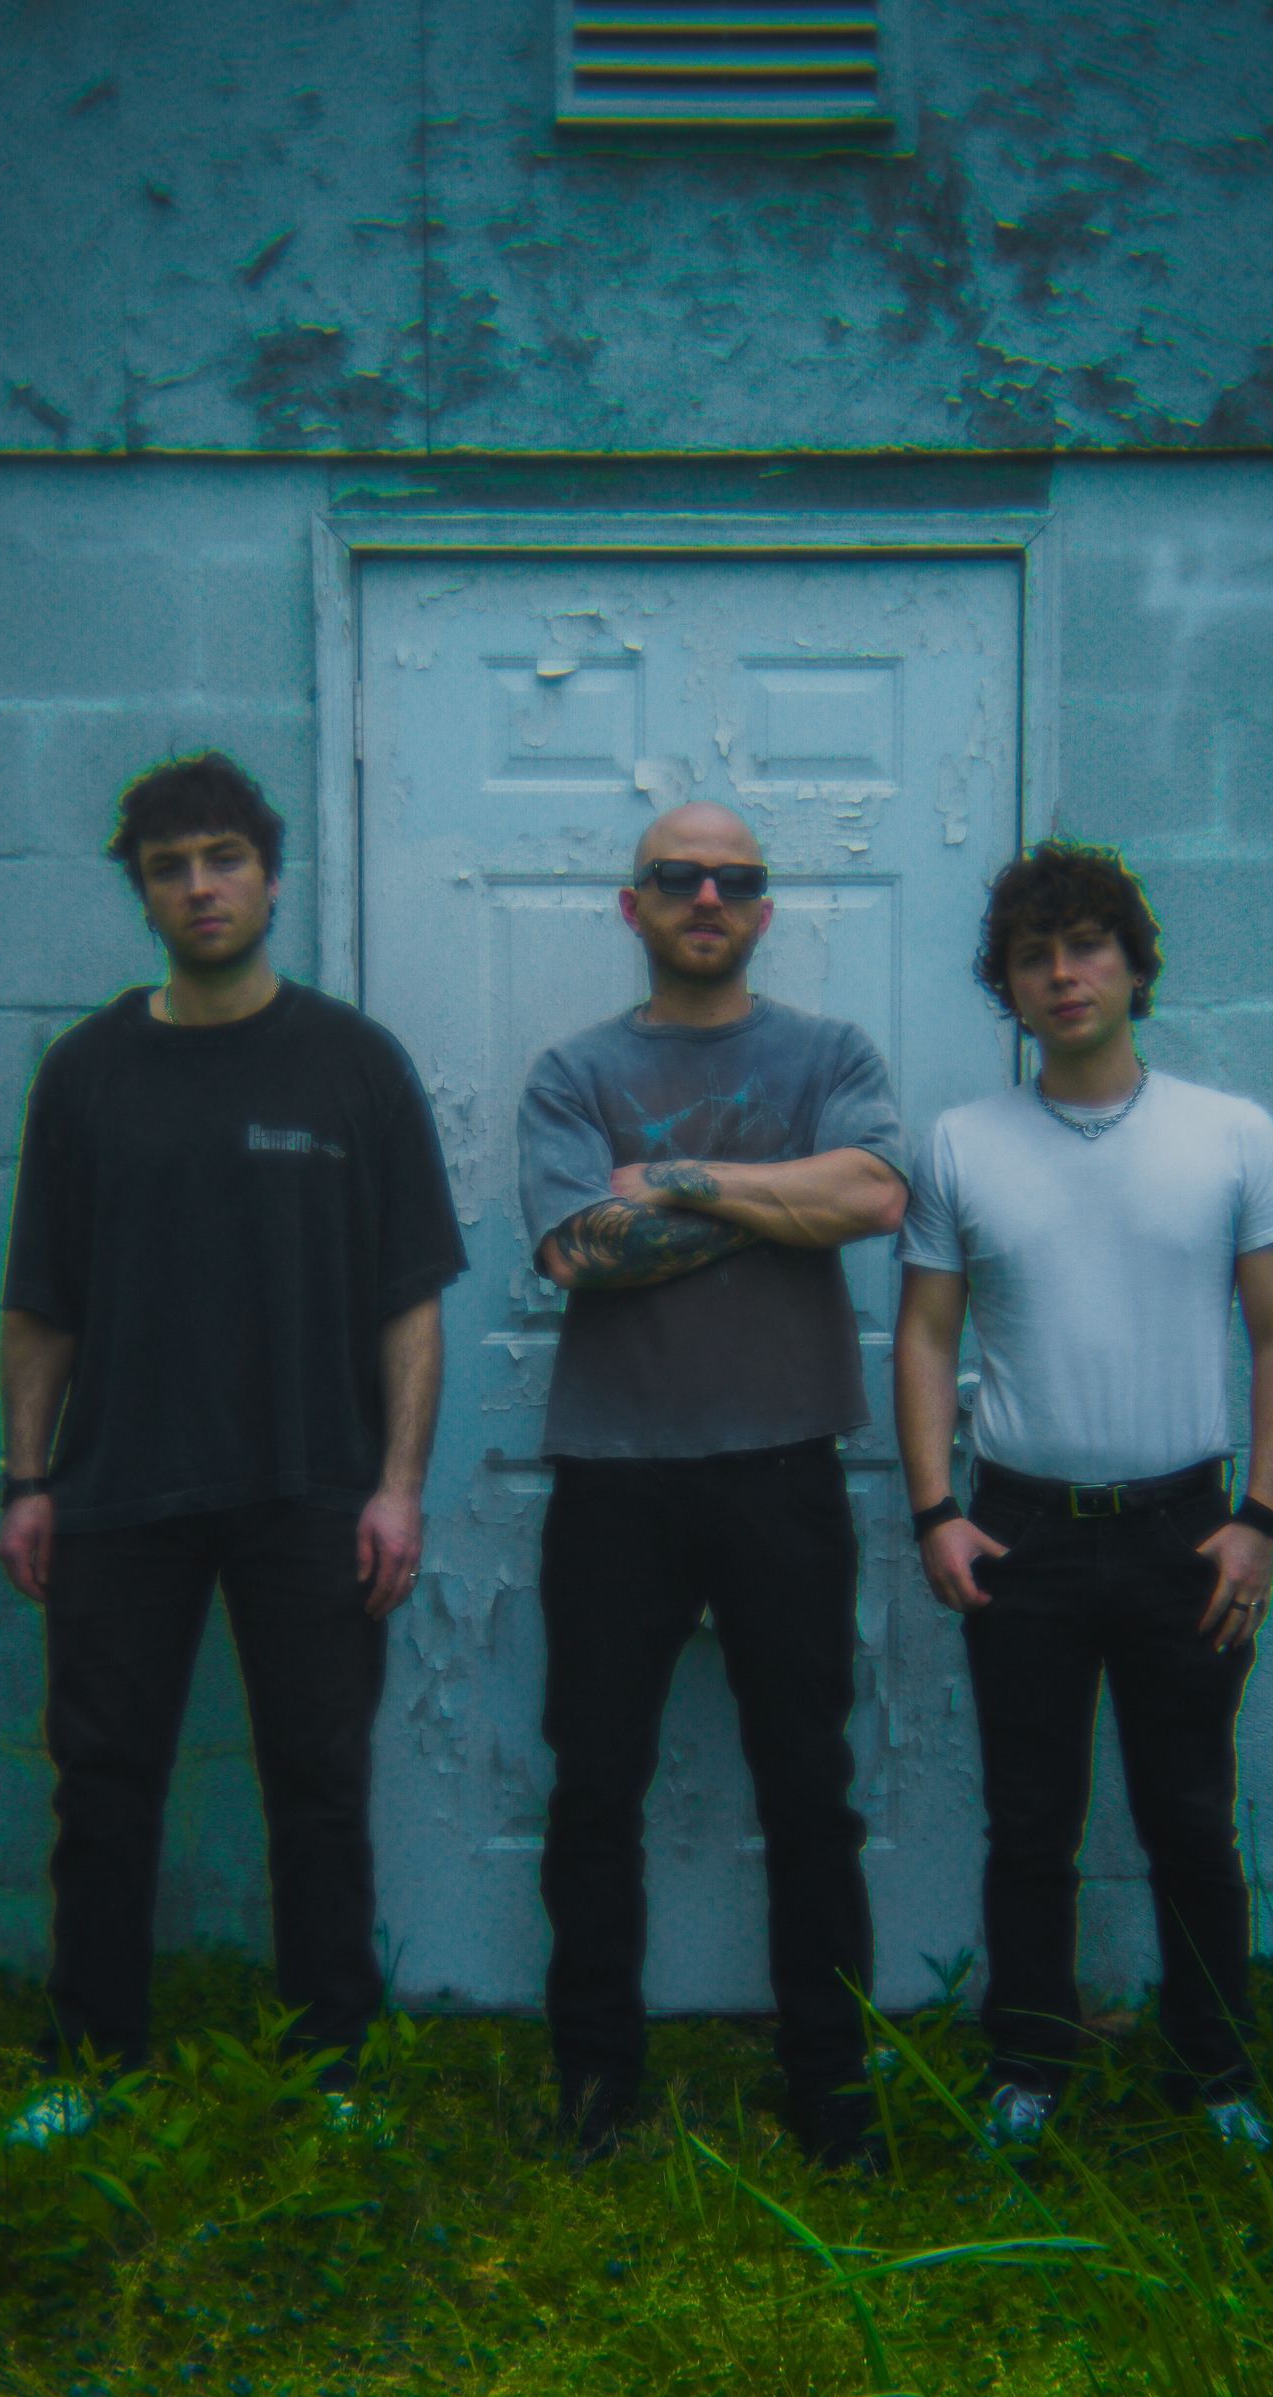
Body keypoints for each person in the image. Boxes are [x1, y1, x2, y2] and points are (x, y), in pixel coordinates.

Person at [0, 752, 466, 2142]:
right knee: (102, 1786)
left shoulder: (352, 1064)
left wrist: (396, 1489)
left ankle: (329, 2067)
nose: (199, 886)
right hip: (121, 1491)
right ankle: (90, 2063)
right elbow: (42, 1303)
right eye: (168, 865)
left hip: (313, 1490)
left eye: (222, 858)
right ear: (141, 892)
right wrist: (28, 1480)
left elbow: (410, 1300)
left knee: (319, 1788)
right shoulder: (87, 1074)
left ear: (269, 872)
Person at [893, 838, 1273, 2154]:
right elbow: (923, 1338)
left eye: (1086, 945)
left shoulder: (1231, 1134)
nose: (1062, 973)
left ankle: (1218, 2073)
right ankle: (1028, 2066)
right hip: (1018, 1530)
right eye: (1032, 954)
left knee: (1189, 1813)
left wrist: (1260, 1521)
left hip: (1187, 1529)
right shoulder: (963, 1143)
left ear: (1135, 966)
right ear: (1005, 987)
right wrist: (932, 1510)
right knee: (1031, 1820)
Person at [517, 801, 910, 2166]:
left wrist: (675, 1179)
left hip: (783, 1465)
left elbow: (870, 1200)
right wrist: (772, 1201)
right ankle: (595, 2078)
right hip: (616, 1477)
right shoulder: (572, 1072)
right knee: (594, 1788)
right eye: (676, 878)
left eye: (733, 879)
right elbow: (577, 1250)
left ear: (764, 906)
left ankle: (831, 2084)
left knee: (809, 1784)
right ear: (632, 906)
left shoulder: (830, 1054)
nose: (705, 895)